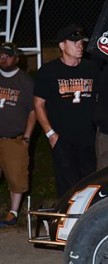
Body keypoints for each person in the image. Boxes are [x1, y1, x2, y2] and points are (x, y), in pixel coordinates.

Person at [34, 24, 100, 198]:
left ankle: (86, 222)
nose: (79, 46)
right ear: (62, 45)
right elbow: (39, 104)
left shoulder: (92, 68)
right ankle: (66, 223)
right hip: (62, 139)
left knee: (90, 185)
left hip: (89, 138)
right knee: (67, 188)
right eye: (74, 42)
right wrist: (51, 134)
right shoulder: (48, 72)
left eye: (81, 42)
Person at [0, 42, 35, 227]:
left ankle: (13, 213)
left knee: (16, 178)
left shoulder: (25, 81)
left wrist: (27, 137)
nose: (3, 58)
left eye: (7, 55)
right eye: (1, 55)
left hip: (14, 138)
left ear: (16, 58)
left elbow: (33, 111)